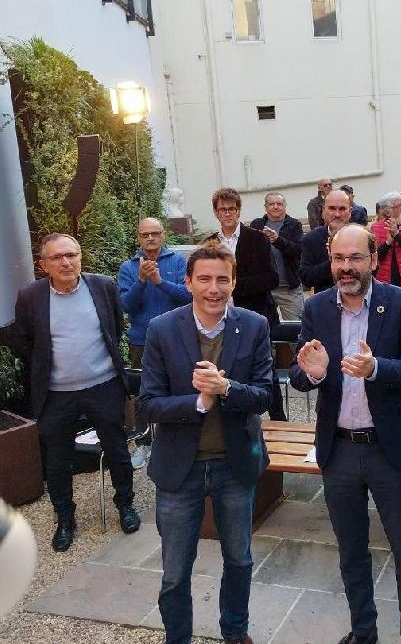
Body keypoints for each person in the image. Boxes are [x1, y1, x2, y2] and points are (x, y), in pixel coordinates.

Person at [290, 225, 401, 644]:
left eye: (355, 258)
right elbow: (299, 372)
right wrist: (313, 374)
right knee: (351, 551)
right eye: (338, 258)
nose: (346, 267)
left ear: (373, 259)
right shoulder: (316, 307)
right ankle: (364, 632)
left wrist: (377, 369)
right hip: (339, 451)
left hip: (390, 449)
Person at [140, 244, 272, 644]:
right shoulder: (162, 329)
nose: (213, 289)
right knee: (175, 570)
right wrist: (198, 402)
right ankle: (177, 638)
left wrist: (226, 388)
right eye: (204, 279)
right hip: (180, 468)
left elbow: (265, 395)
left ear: (234, 282)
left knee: (239, 559)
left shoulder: (254, 325)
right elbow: (148, 404)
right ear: (188, 282)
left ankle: (235, 632)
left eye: (222, 280)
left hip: (235, 465)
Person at [0, 234, 139, 551]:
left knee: (117, 451)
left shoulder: (102, 286)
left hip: (104, 386)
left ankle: (125, 505)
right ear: (44, 264)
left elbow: (115, 328)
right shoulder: (30, 296)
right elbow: (24, 342)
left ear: (80, 257)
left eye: (71, 255)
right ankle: (65, 519)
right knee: (57, 460)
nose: (66, 262)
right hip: (56, 393)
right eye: (57, 257)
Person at [118, 217, 191, 467]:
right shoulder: (128, 267)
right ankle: (144, 442)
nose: (150, 238)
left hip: (176, 337)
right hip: (142, 340)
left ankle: (179, 439)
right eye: (145, 234)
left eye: (155, 233)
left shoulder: (177, 261)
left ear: (163, 235)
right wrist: (141, 281)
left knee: (180, 388)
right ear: (138, 237)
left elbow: (187, 296)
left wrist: (159, 281)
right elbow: (125, 305)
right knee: (142, 392)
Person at [202, 188, 278, 326]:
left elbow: (272, 279)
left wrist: (231, 285)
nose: (227, 213)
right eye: (222, 209)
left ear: (238, 211)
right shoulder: (208, 243)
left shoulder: (258, 238)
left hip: (255, 313)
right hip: (219, 315)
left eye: (231, 209)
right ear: (216, 212)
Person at [249, 192, 305, 321]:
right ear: (265, 207)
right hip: (265, 288)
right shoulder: (257, 225)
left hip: (289, 288)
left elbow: (298, 251)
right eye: (271, 204)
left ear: (285, 206)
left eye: (279, 204)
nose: (275, 207)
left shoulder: (293, 224)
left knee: (295, 326)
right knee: (264, 325)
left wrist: (277, 240)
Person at [298, 189, 352, 293]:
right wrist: (332, 261)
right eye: (332, 209)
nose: (337, 214)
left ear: (350, 212)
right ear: (323, 210)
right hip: (325, 300)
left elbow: (372, 271)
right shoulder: (311, 239)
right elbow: (306, 279)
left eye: (342, 209)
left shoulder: (362, 236)